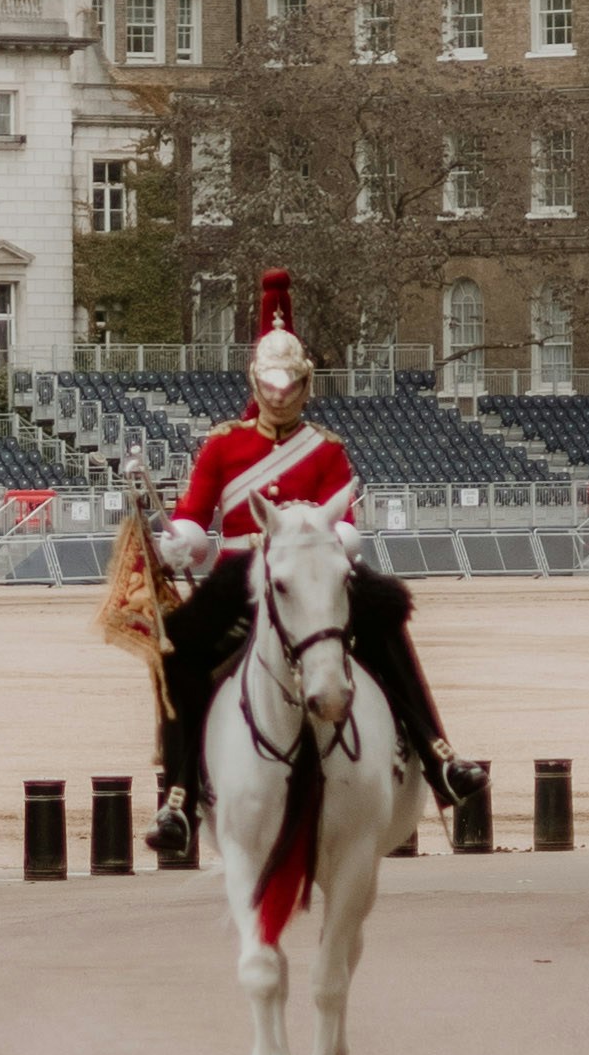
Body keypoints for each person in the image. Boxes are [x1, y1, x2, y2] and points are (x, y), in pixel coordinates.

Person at [154, 276, 472, 830]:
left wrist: (333, 540)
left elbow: (344, 524)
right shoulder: (224, 444)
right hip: (242, 573)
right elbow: (195, 511)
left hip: (318, 570)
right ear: (257, 383)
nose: (279, 396)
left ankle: (438, 753)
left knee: (389, 615)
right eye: (271, 384)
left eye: (290, 385)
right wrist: (181, 539)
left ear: (305, 385)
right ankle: (178, 795)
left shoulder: (326, 448)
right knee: (177, 648)